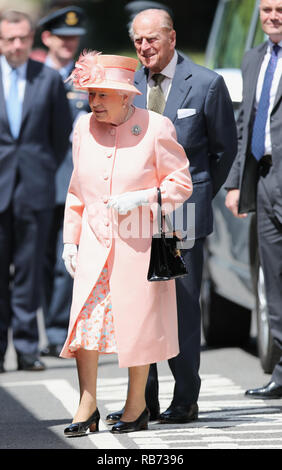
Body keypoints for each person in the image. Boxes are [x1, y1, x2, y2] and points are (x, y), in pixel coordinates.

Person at [106, 8, 237, 425]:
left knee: (180, 308)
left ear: (172, 38)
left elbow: (224, 150)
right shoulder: (128, 87)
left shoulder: (207, 84)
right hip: (136, 217)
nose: (144, 47)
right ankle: (143, 401)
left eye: (152, 40)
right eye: (138, 41)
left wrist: (197, 195)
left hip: (183, 215)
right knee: (139, 307)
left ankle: (185, 398)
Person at [59, 51, 193, 436]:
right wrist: (70, 241)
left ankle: (137, 406)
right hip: (95, 243)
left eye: (103, 95)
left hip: (138, 243)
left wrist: (145, 197)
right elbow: (75, 191)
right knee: (85, 326)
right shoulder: (83, 128)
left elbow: (180, 183)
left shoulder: (156, 127)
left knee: (136, 327)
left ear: (125, 96)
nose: (94, 102)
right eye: (91, 94)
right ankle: (87, 406)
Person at [0, 10, 72, 373]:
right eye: (9, 39)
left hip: (35, 188)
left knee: (29, 272)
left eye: (22, 39)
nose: (16, 45)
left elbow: (60, 138)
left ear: (32, 39)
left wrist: (41, 170)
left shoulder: (48, 79)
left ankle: (27, 348)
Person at [225, 0, 282, 399]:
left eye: (280, 8)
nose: (272, 16)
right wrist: (233, 183)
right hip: (262, 180)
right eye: (266, 10)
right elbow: (245, 123)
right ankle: (281, 371)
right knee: (273, 278)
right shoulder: (253, 57)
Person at [38, 5, 90, 358]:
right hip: (33, 183)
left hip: (73, 181)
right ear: (47, 39)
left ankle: (58, 329)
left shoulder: (85, 78)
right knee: (34, 262)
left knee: (63, 262)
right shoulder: (33, 76)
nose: (69, 43)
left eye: (74, 38)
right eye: (62, 37)